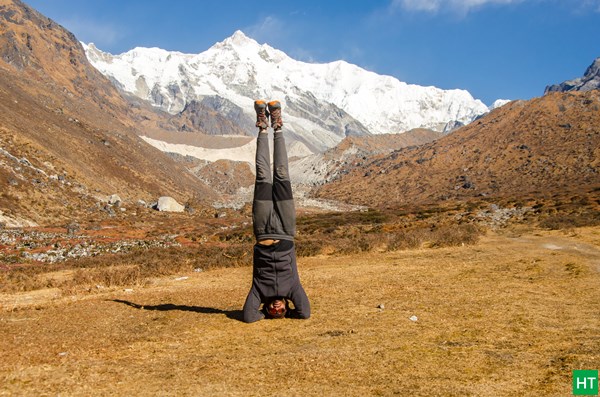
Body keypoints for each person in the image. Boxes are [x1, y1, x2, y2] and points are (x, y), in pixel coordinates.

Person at [242, 100, 311, 323]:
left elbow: (249, 316)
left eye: (273, 311)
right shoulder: (293, 289)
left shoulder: (259, 292)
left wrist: (263, 312)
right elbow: (305, 313)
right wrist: (290, 312)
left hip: (262, 230)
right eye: (280, 310)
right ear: (286, 307)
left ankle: (262, 125)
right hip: (286, 228)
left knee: (263, 175)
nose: (276, 308)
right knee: (282, 175)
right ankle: (278, 124)